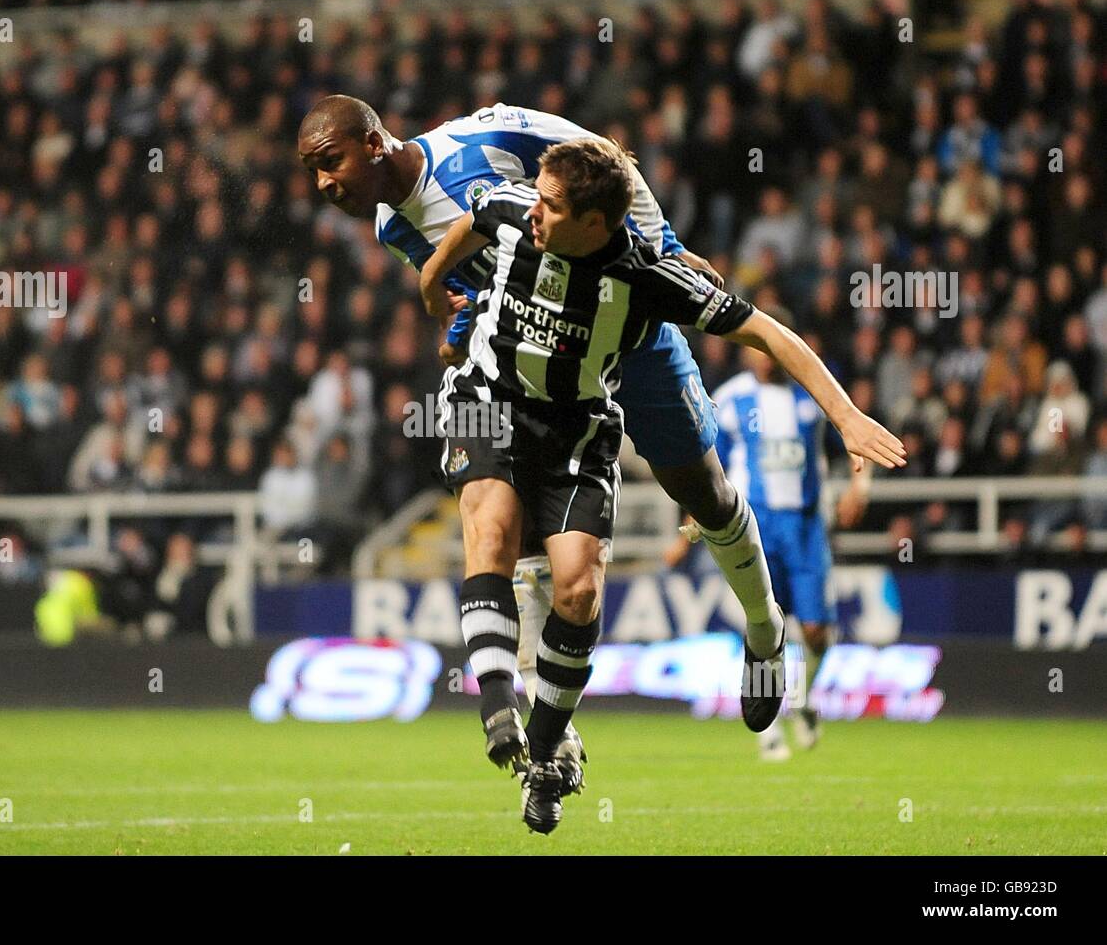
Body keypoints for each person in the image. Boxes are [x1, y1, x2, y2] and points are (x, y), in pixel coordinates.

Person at [297, 95, 794, 787]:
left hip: (629, 331)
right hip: (540, 376)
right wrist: (458, 320)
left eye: (331, 163)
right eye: (312, 172)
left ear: (375, 143)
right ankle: (550, 726)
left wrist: (668, 249)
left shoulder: (483, 140)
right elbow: (473, 280)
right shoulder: (392, 227)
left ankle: (765, 629)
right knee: (522, 537)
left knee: (701, 491)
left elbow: (606, 159)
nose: (324, 184)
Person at [417, 138, 905, 833]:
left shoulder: (649, 274)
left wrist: (845, 412)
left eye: (553, 207)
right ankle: (499, 708)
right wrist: (434, 287)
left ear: (596, 223)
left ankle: (554, 743)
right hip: (487, 402)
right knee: (490, 530)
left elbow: (769, 334)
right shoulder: (515, 207)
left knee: (581, 588)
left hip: (579, 427)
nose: (535, 215)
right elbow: (469, 219)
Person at [709, 331, 872, 760]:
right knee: (764, 626)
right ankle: (768, 729)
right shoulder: (729, 399)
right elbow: (707, 465)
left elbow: (853, 433)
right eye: (758, 349)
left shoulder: (811, 392)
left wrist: (861, 483)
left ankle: (803, 698)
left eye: (772, 349)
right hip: (756, 528)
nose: (766, 358)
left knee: (817, 632)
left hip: (805, 526)